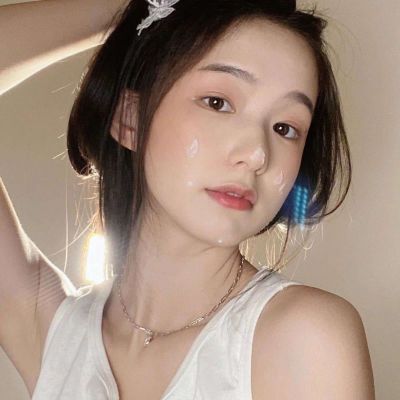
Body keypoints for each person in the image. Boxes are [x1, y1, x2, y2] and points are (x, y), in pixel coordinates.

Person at [0, 0, 375, 399]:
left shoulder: (306, 338)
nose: (257, 154)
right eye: (218, 102)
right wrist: (138, 5)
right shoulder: (57, 337)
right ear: (129, 119)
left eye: (285, 128)